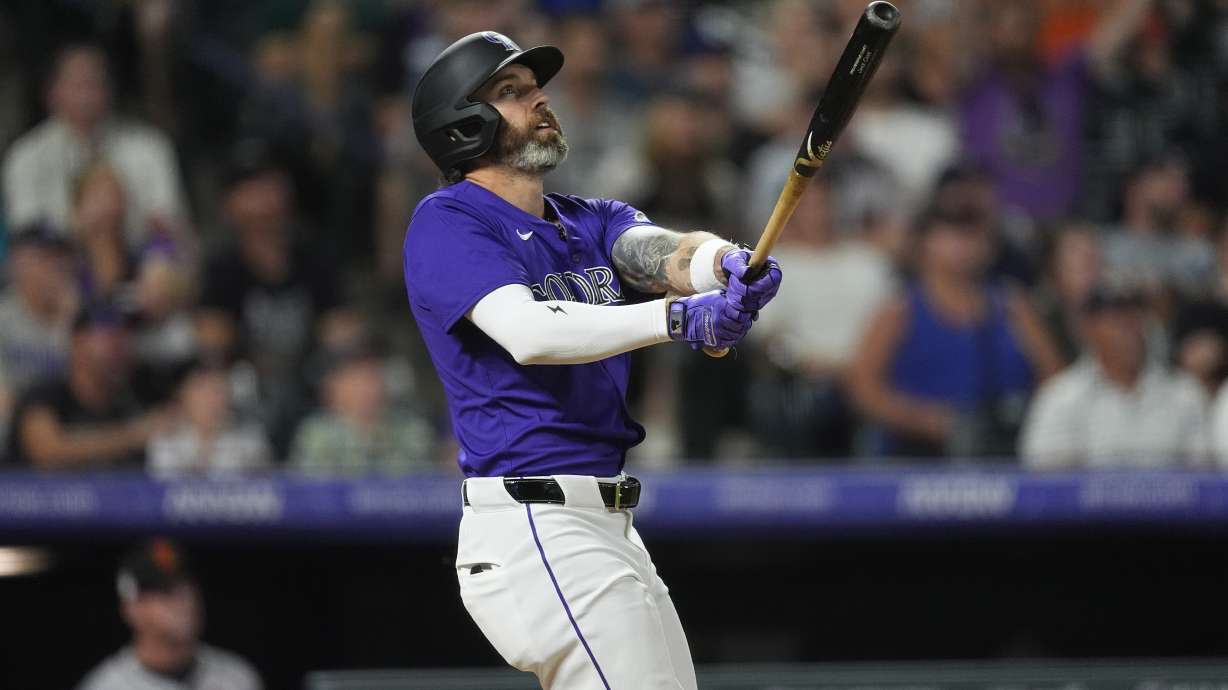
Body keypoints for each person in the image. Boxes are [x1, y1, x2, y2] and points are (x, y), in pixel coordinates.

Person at [405, 32, 782, 689]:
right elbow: (527, 331)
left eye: (534, 86)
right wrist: (677, 318)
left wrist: (725, 265)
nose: (540, 99)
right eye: (512, 92)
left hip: (604, 527)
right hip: (534, 524)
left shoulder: (588, 218)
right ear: (464, 124)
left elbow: (661, 250)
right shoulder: (447, 221)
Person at [848, 203, 1063, 459]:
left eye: (973, 235)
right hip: (918, 452)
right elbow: (863, 389)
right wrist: (930, 421)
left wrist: (1027, 419)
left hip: (1005, 445)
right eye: (952, 234)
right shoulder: (901, 310)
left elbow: (1056, 381)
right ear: (924, 243)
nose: (964, 246)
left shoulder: (1013, 306)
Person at [2, 44, 187, 247]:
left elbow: (169, 222)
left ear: (110, 90)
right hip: (56, 267)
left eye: (94, 83)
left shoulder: (150, 147)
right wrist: (82, 224)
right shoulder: (26, 156)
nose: (86, 96)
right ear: (52, 93)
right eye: (77, 85)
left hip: (136, 265)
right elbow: (24, 233)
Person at [1020, 284, 1209, 469]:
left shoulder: (1184, 393)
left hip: (1172, 501)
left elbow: (1203, 482)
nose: (1129, 328)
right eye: (1116, 319)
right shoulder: (1060, 398)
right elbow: (1046, 486)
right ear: (1089, 328)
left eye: (1136, 316)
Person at [77, 539, 262, 690]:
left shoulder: (237, 678)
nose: (184, 601)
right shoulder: (106, 686)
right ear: (132, 609)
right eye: (166, 592)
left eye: (186, 586)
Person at [7, 305, 166, 470]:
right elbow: (48, 451)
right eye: (109, 334)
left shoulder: (135, 399)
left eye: (126, 335)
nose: (121, 344)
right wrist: (134, 436)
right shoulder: (43, 396)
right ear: (77, 342)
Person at [290, 344, 435, 476]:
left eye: (373, 377)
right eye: (356, 380)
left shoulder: (411, 428)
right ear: (334, 388)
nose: (368, 389)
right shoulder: (316, 432)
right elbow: (310, 486)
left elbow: (424, 481)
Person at [0, 225, 77, 446]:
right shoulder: (3, 318)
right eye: (41, 258)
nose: (52, 267)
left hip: (66, 417)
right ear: (17, 263)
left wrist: (71, 320)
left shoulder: (80, 315)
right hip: (15, 418)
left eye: (58, 257)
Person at [147, 359, 272, 479]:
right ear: (185, 397)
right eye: (203, 392)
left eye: (219, 391)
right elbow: (163, 489)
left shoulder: (250, 439)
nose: (212, 401)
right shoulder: (166, 439)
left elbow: (262, 489)